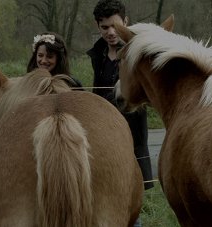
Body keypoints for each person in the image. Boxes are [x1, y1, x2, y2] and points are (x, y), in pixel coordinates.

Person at [87, 0, 154, 225]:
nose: (111, 32)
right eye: (105, 27)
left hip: (130, 136)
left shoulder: (139, 51)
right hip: (102, 135)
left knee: (130, 204)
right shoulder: (98, 53)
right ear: (98, 27)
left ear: (126, 22)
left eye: (115, 25)